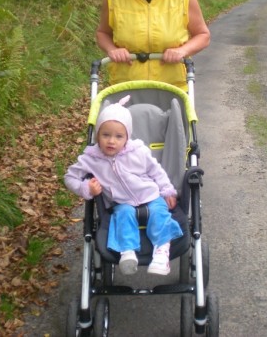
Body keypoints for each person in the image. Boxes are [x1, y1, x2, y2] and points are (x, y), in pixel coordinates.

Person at [64, 95, 183, 276]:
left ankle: (161, 252)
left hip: (150, 195)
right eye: (105, 135)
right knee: (123, 217)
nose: (111, 141)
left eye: (118, 136)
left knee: (160, 215)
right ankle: (127, 253)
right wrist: (86, 188)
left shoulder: (138, 151)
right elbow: (70, 177)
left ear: (127, 136)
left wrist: (167, 190)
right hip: (121, 201)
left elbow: (156, 171)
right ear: (97, 135)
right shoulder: (91, 158)